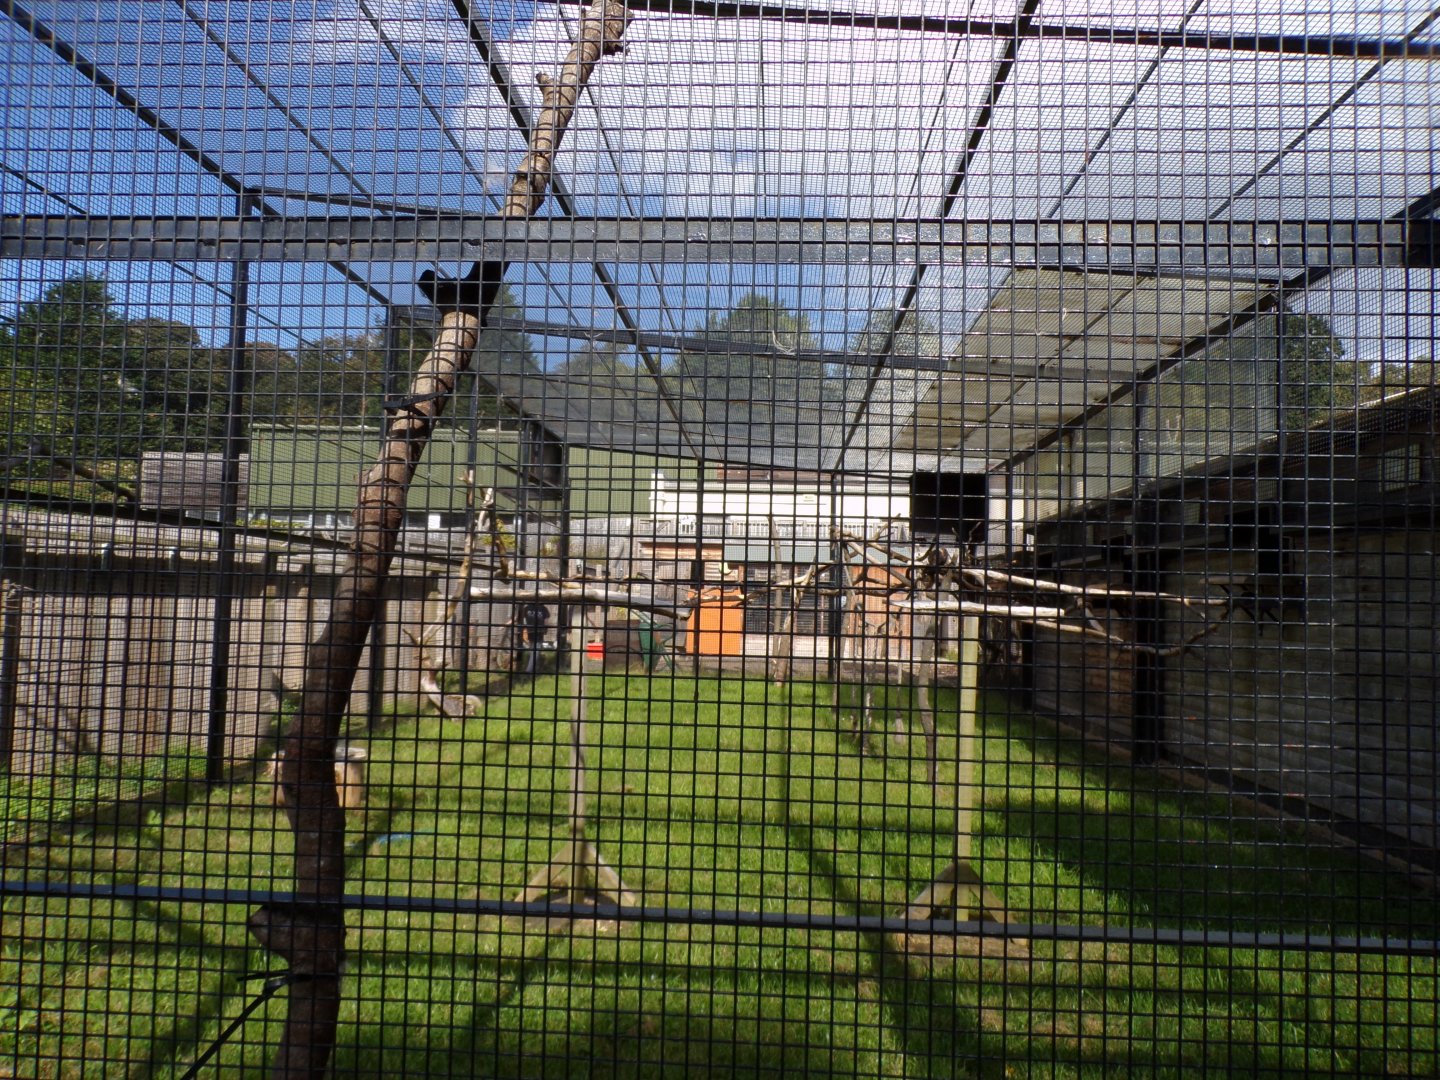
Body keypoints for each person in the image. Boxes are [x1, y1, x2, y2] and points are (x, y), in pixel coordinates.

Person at [521, 602, 549, 673]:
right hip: (539, 631)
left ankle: (535, 668)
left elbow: (523, 619)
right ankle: (529, 670)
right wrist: (545, 629)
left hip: (530, 630)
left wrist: (524, 628)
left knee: (533, 649)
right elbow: (546, 620)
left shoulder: (526, 608)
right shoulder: (543, 608)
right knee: (536, 651)